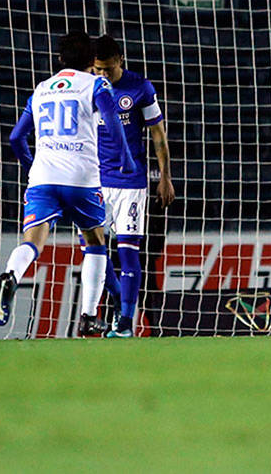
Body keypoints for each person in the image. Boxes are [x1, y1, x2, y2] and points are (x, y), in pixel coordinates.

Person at [0, 32, 136, 337]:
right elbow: (112, 123)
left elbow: (16, 137)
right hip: (81, 178)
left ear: (59, 59)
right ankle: (88, 317)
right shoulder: (96, 85)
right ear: (90, 61)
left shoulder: (42, 89)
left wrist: (33, 166)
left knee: (32, 242)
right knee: (95, 243)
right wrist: (126, 158)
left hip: (43, 178)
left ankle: (11, 274)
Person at [90, 35, 175, 338]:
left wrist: (164, 176)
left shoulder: (140, 87)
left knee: (128, 253)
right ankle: (116, 300)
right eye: (97, 69)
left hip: (130, 182)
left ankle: (126, 321)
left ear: (120, 62)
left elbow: (158, 135)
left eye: (108, 70)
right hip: (94, 181)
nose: (103, 75)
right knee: (95, 253)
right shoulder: (86, 87)